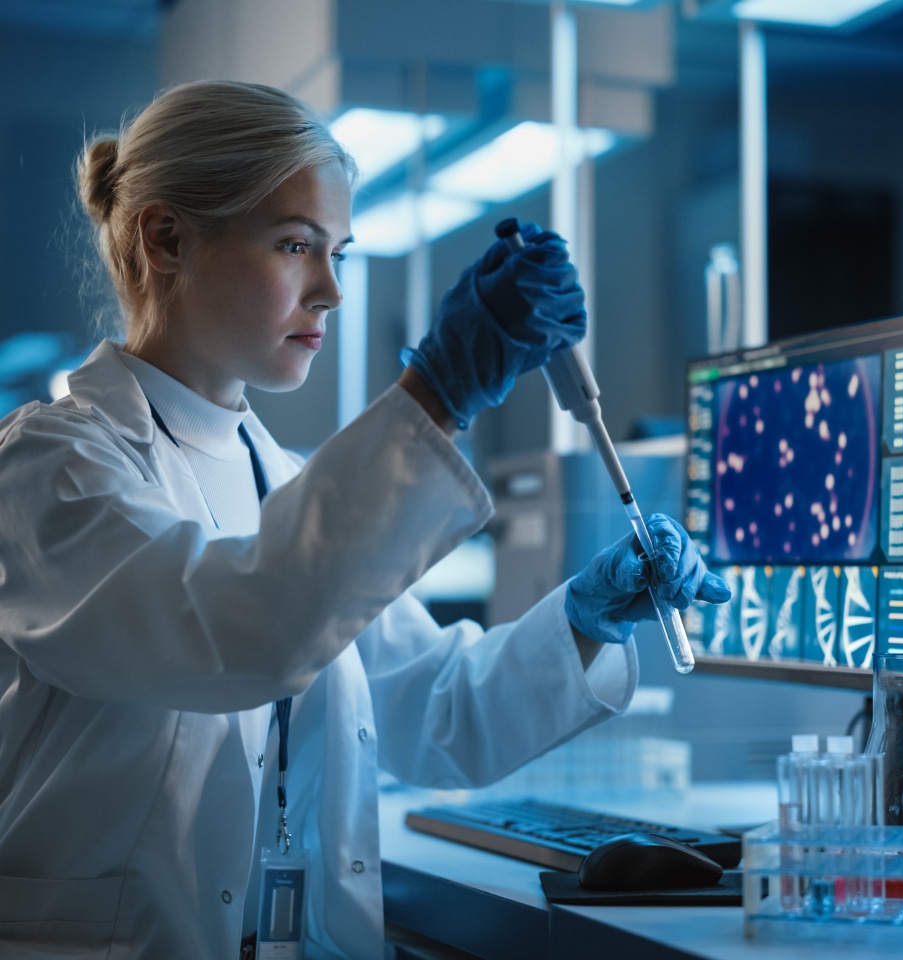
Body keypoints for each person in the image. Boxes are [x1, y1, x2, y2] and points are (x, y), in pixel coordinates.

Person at [0, 80, 730, 960]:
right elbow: (238, 630)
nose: (332, 291)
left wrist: (581, 622)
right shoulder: (50, 470)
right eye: (296, 245)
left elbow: (434, 705)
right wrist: (436, 394)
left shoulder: (286, 484)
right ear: (167, 239)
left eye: (339, 251)